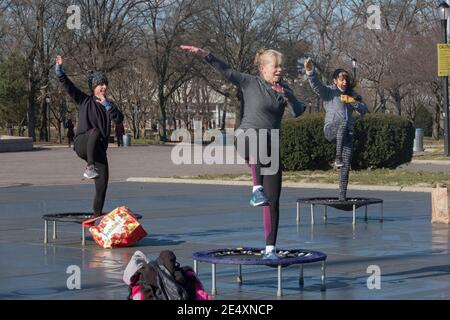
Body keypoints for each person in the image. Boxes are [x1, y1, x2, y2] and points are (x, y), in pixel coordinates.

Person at [181, 45, 305, 259]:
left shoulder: (283, 89)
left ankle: (270, 249)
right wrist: (205, 54)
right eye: (275, 67)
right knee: (254, 137)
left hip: (271, 147)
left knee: (272, 200)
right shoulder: (250, 82)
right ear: (263, 68)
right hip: (247, 138)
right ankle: (256, 187)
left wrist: (286, 95)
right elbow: (227, 71)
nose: (279, 71)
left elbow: (299, 111)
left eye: (280, 67)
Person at [55, 55, 124, 216]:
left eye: (105, 84)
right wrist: (59, 70)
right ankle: (89, 167)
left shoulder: (109, 105)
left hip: (98, 149)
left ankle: (96, 217)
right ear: (93, 87)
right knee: (95, 131)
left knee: (102, 186)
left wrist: (106, 104)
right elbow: (68, 86)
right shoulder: (85, 100)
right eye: (100, 84)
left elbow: (119, 119)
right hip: (81, 143)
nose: (104, 87)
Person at [304, 58, 367, 201]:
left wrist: (352, 102)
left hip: (346, 134)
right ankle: (337, 157)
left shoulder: (351, 95)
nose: (344, 82)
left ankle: (342, 197)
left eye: (346, 80)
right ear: (335, 81)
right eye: (341, 79)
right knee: (342, 123)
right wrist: (310, 71)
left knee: (346, 165)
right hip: (331, 130)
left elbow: (364, 110)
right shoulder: (329, 92)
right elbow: (316, 86)